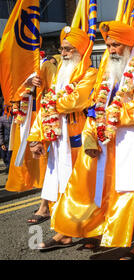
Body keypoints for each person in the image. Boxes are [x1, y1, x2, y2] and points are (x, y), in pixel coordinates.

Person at [43, 21, 134, 257]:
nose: (111, 50)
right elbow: (96, 105)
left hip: (131, 139)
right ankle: (80, 231)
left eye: (115, 45)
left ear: (129, 45)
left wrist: (112, 116)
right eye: (108, 45)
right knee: (93, 189)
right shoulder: (108, 67)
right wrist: (90, 134)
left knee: (127, 192)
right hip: (104, 137)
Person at [27, 26, 97, 241]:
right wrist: (35, 138)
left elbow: (76, 101)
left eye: (68, 49)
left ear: (81, 50)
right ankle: (65, 231)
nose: (64, 53)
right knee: (59, 183)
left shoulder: (90, 73)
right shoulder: (58, 75)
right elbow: (46, 105)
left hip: (79, 136)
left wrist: (50, 101)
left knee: (83, 186)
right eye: (62, 49)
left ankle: (89, 231)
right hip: (58, 137)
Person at [5, 55, 56, 224]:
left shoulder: (47, 65)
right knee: (32, 165)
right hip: (26, 120)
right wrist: (26, 85)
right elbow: (14, 96)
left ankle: (45, 206)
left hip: (44, 119)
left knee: (45, 164)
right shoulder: (23, 68)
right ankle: (46, 203)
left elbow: (54, 93)